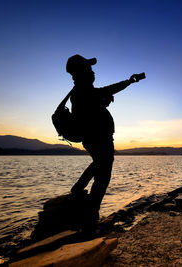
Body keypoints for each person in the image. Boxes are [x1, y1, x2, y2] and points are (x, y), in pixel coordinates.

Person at [65, 54, 143, 224]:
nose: (93, 72)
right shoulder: (81, 92)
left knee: (100, 164)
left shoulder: (84, 91)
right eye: (89, 69)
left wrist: (125, 84)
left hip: (100, 138)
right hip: (97, 139)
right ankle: (91, 215)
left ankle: (79, 191)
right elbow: (91, 114)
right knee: (103, 176)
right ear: (80, 72)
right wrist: (106, 99)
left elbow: (103, 96)